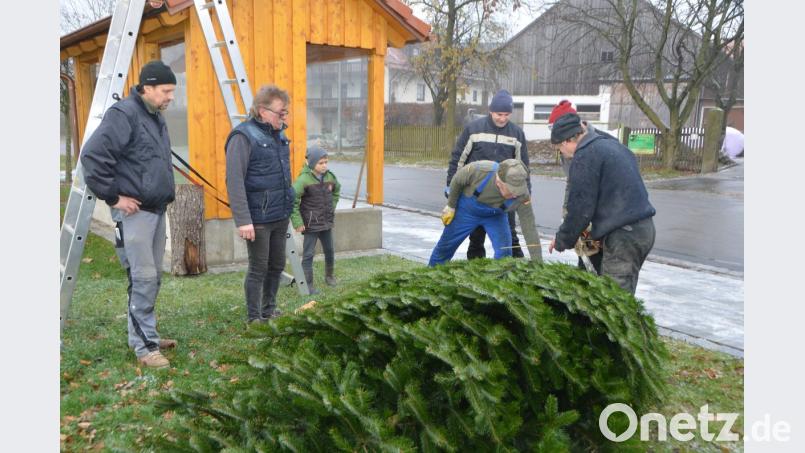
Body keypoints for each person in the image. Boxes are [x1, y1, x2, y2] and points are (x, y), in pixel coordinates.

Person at [80, 60, 178, 368]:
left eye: (172, 91)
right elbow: (92, 157)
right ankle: (144, 346)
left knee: (151, 278)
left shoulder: (153, 115)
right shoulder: (125, 115)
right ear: (147, 88)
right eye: (166, 91)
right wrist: (113, 197)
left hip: (155, 209)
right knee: (143, 277)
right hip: (135, 214)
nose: (171, 97)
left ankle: (146, 332)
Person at [547, 113, 656, 295]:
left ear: (567, 141)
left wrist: (562, 240)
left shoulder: (585, 156)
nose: (562, 153)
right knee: (619, 297)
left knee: (614, 301)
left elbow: (580, 209)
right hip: (642, 231)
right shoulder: (610, 145)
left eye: (559, 148)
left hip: (624, 237)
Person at [225, 85, 294, 324]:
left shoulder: (280, 136)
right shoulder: (243, 137)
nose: (284, 117)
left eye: (286, 113)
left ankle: (268, 309)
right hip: (257, 218)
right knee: (258, 268)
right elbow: (234, 181)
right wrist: (243, 220)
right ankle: (254, 317)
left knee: (277, 265)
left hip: (279, 214)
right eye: (280, 113)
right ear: (263, 111)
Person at [446, 89, 531, 259]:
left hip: (505, 195)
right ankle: (476, 269)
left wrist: (526, 193)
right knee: (476, 237)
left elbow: (523, 168)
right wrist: (451, 186)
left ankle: (517, 269)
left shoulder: (517, 134)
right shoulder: (473, 130)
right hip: (477, 194)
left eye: (507, 114)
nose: (503, 118)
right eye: (499, 114)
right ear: (491, 111)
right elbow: (458, 159)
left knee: (510, 235)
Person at [430, 159, 543, 266]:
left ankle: (500, 281)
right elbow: (457, 180)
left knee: (504, 251)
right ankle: (431, 276)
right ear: (499, 181)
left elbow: (530, 228)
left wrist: (538, 262)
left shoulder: (522, 195)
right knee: (445, 246)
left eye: (518, 190)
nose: (515, 195)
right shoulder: (479, 170)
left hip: (495, 217)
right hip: (466, 212)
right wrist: (451, 206)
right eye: (512, 190)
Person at [548, 100, 603, 274]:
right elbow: (572, 183)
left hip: (602, 213)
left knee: (597, 259)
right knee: (584, 254)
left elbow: (590, 193)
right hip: (584, 211)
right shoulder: (566, 149)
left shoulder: (597, 145)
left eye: (553, 128)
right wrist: (568, 216)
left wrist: (575, 224)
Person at [290, 146, 341, 295]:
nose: (324, 165)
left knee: (330, 250)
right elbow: (292, 201)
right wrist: (298, 222)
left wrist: (332, 206)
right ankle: (308, 284)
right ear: (311, 163)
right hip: (311, 225)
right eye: (320, 163)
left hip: (326, 222)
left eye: (326, 162)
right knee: (308, 254)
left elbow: (337, 190)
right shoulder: (303, 180)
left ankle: (330, 276)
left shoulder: (330, 177)